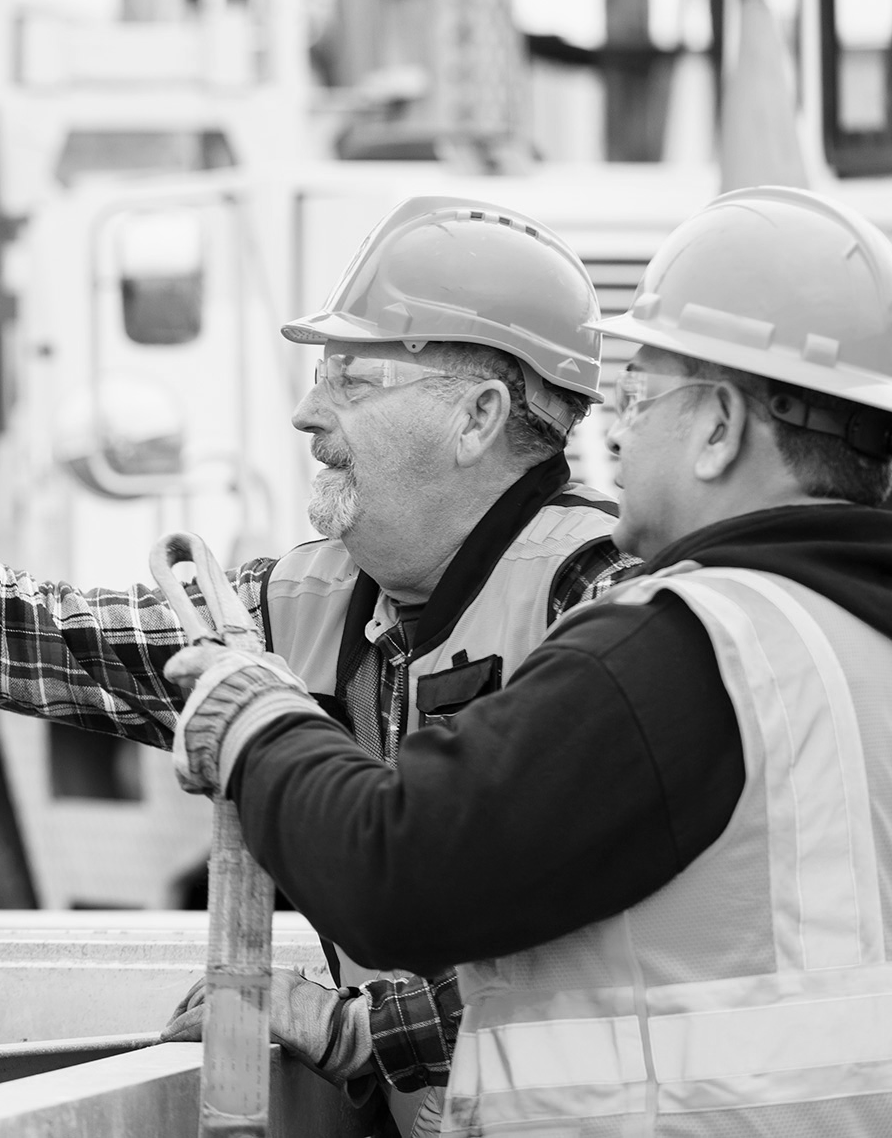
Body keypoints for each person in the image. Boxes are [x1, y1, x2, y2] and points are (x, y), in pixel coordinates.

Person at [0, 195, 635, 1133]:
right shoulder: (305, 604)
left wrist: (364, 1031)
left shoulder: (606, 606)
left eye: (352, 379)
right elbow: (34, 635)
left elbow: (618, 947)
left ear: (478, 417)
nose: (307, 413)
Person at [166, 185, 892, 1135]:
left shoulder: (685, 648)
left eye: (640, 396)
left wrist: (256, 718)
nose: (613, 432)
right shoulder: (854, 639)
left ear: (719, 426)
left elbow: (399, 868)